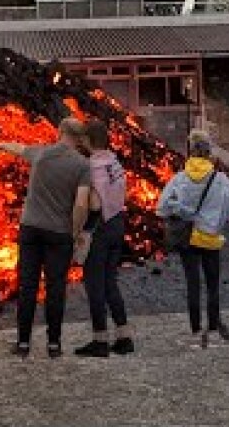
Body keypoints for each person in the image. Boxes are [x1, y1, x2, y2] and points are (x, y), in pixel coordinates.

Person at [0, 118, 92, 359]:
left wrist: (2, 145)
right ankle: (54, 344)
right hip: (59, 233)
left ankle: (23, 343)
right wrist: (76, 231)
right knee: (55, 288)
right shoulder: (82, 166)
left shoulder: (41, 154)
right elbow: (81, 204)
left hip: (31, 228)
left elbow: (19, 149)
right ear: (78, 138)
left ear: (60, 132)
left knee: (27, 286)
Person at [157, 130, 229, 349]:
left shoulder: (180, 178)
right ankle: (213, 331)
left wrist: (180, 210)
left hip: (188, 238)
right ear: (208, 152)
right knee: (213, 285)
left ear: (191, 152)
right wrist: (219, 221)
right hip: (211, 237)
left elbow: (161, 207)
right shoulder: (221, 180)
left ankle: (195, 332)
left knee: (192, 285)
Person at [73, 119, 135, 357]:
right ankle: (124, 336)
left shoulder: (92, 168)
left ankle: (100, 340)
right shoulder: (114, 163)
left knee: (94, 285)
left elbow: (94, 204)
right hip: (117, 223)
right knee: (110, 282)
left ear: (88, 140)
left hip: (99, 229)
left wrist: (77, 229)